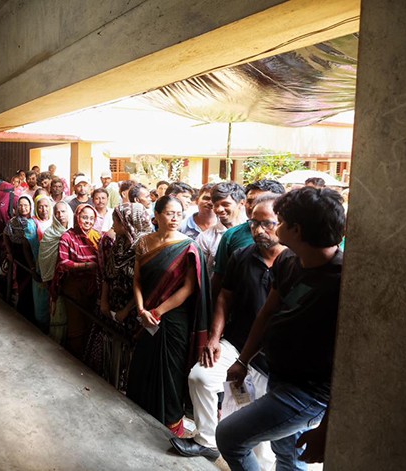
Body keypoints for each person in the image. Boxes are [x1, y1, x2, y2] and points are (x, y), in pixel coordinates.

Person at [216, 187, 345, 471]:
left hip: (308, 394)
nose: (277, 226)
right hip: (280, 376)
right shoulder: (289, 260)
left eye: (281, 221)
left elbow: (349, 364)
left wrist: (326, 427)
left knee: (229, 437)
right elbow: (268, 313)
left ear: (297, 230)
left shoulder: (343, 282)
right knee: (286, 452)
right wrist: (242, 360)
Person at [172, 195, 291, 465]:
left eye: (267, 224)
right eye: (254, 224)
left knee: (262, 428)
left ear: (282, 223)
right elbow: (225, 297)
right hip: (237, 342)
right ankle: (206, 440)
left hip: (273, 356)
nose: (259, 230)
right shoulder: (242, 256)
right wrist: (214, 338)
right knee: (200, 377)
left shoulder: (294, 262)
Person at [127, 195, 211, 438]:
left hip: (173, 319)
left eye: (178, 213)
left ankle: (171, 423)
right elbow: (137, 280)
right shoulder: (144, 243)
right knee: (143, 366)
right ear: (157, 215)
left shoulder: (188, 246)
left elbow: (188, 288)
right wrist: (142, 310)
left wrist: (157, 311)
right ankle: (139, 413)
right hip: (146, 317)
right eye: (169, 213)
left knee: (171, 372)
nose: (175, 218)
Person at [84, 203, 151, 390]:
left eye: (116, 220)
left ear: (128, 222)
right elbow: (108, 273)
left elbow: (143, 285)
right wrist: (104, 301)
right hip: (112, 304)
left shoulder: (144, 247)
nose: (112, 224)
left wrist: (125, 310)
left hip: (131, 310)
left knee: (127, 352)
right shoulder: (120, 243)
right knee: (110, 347)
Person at [212, 180, 285, 298]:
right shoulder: (232, 237)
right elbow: (220, 283)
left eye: (261, 200)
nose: (253, 206)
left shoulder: (295, 249)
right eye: (250, 201)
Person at [53, 204, 100, 359]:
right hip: (74, 287)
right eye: (84, 217)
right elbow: (63, 263)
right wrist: (86, 265)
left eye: (91, 218)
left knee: (89, 323)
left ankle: (87, 358)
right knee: (76, 325)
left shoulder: (96, 236)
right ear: (77, 217)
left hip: (92, 287)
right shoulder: (67, 237)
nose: (88, 221)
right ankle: (75, 359)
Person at [38, 201, 73, 342]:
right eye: (57, 212)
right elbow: (44, 259)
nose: (60, 215)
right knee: (57, 312)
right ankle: (56, 341)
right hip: (54, 279)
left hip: (71, 279)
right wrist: (48, 278)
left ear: (69, 212)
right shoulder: (49, 234)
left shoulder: (74, 232)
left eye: (63, 211)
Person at [196, 182, 247, 277]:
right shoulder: (205, 238)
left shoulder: (252, 231)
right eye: (216, 205)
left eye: (225, 204)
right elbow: (199, 273)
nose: (219, 209)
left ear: (241, 203)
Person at [3, 195, 36, 320]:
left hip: (31, 253)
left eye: (26, 205)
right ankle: (22, 308)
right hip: (19, 253)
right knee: (21, 279)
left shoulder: (34, 221)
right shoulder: (13, 221)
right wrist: (9, 252)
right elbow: (6, 235)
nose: (23, 208)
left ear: (31, 206)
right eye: (20, 205)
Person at [25, 194, 54, 331]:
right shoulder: (31, 224)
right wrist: (32, 267)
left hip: (54, 266)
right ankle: (41, 328)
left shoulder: (55, 221)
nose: (44, 210)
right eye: (40, 207)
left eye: (46, 206)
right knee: (41, 300)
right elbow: (26, 247)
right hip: (39, 267)